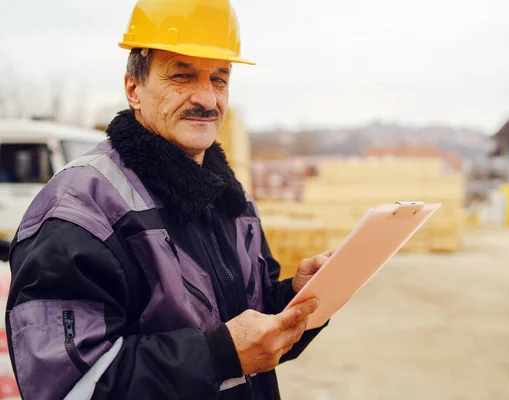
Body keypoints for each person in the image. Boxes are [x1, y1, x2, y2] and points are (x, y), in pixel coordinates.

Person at [5, 0, 333, 398]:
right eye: (183, 75)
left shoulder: (230, 199)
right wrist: (219, 355)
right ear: (133, 89)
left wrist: (298, 300)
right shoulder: (79, 211)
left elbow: (248, 327)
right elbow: (66, 385)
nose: (208, 100)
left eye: (219, 79)